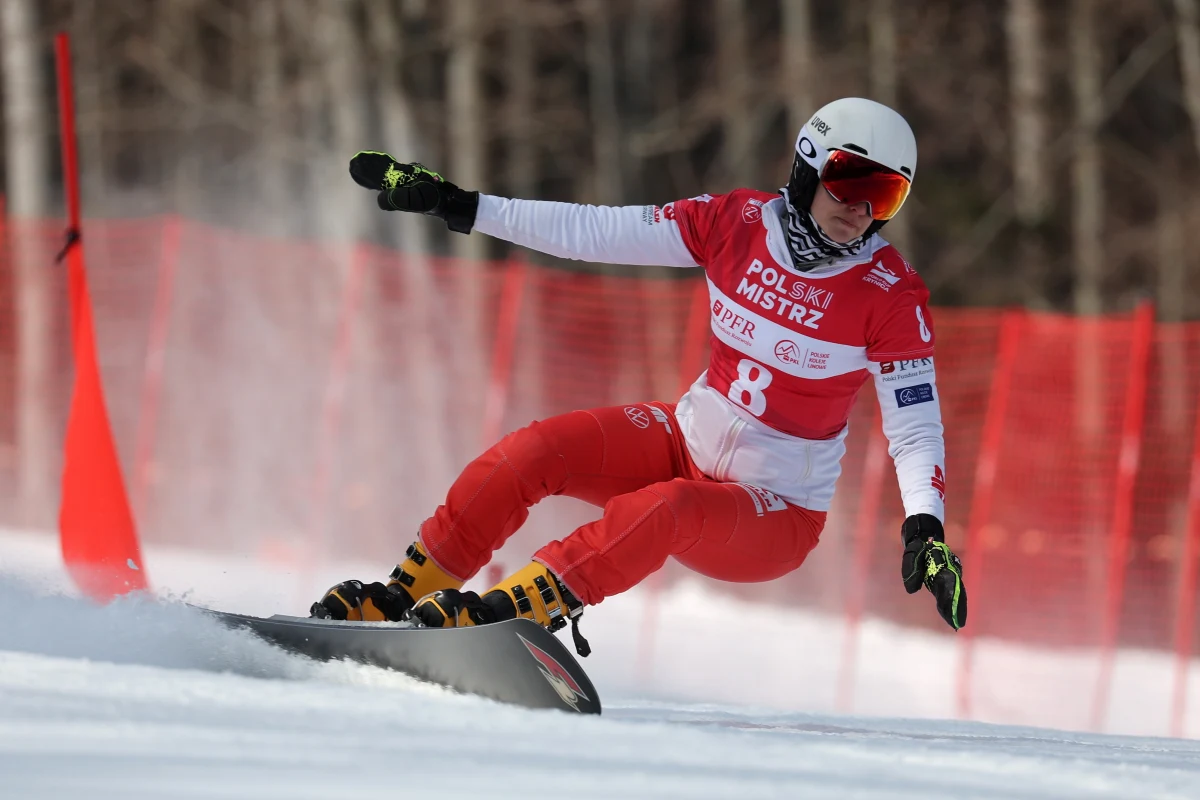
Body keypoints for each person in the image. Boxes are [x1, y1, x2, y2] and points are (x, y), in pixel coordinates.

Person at [311, 97, 966, 650]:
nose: (861, 209)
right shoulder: (733, 224)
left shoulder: (889, 293)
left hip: (775, 515)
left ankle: (516, 612)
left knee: (666, 506)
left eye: (885, 194)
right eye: (850, 182)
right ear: (806, 167)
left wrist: (925, 527)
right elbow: (594, 233)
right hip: (682, 446)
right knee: (535, 451)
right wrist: (462, 205)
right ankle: (406, 593)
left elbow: (913, 428)